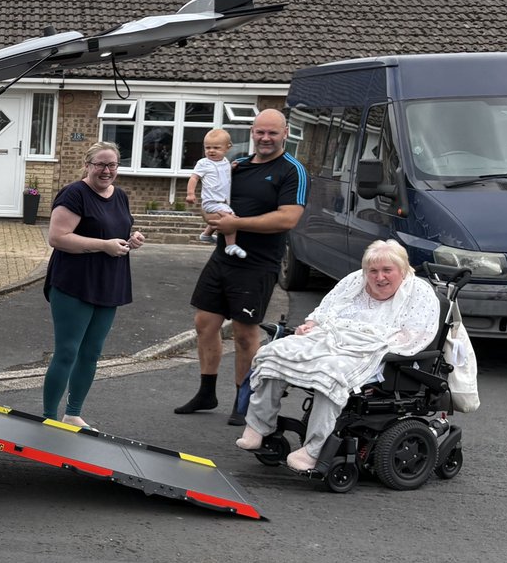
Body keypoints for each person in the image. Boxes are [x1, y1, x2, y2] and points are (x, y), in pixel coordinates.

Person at [235, 239, 440, 472]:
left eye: (387, 271)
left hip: (373, 352)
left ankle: (314, 450)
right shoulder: (355, 281)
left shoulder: (419, 293)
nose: (379, 277)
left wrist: (361, 339)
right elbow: (324, 310)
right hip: (329, 338)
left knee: (329, 375)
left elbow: (413, 337)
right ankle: (259, 426)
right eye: (373, 271)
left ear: (402, 270)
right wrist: (310, 325)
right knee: (272, 354)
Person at [175, 109, 308, 424]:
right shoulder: (238, 167)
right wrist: (210, 215)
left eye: (272, 133)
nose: (265, 138)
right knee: (205, 323)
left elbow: (288, 218)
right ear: (252, 131)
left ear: (285, 133)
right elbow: (213, 199)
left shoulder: (293, 171)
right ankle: (207, 392)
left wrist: (237, 223)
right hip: (222, 256)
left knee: (245, 333)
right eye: (260, 132)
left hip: (258, 264)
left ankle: (243, 400)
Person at [42, 141, 146, 429]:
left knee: (91, 352)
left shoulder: (120, 196)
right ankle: (49, 417)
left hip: (108, 283)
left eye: (112, 164)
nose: (106, 170)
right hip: (74, 284)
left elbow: (116, 234)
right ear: (87, 165)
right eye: (100, 164)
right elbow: (58, 237)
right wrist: (103, 245)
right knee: (67, 351)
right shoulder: (75, 194)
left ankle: (73, 412)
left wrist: (131, 241)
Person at [186, 128, 245, 259]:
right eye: (208, 147)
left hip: (223, 200)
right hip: (210, 201)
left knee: (220, 215)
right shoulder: (203, 163)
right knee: (230, 218)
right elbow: (194, 178)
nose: (211, 151)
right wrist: (190, 193)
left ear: (227, 147)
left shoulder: (225, 162)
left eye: (216, 148)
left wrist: (232, 167)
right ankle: (231, 245)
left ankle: (206, 235)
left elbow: (224, 174)